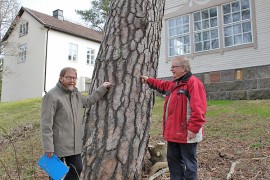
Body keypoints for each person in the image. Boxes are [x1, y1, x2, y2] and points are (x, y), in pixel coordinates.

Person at [141, 56, 207, 180]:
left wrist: (193, 129)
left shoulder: (193, 83)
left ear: (183, 68)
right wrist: (148, 80)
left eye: (173, 67)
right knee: (173, 161)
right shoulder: (174, 84)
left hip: (188, 134)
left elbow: (199, 110)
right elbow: (162, 85)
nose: (171, 69)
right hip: (173, 133)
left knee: (189, 164)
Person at [41, 67, 111, 180]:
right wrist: (48, 147)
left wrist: (102, 88)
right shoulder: (51, 96)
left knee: (78, 168)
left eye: (74, 78)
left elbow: (88, 102)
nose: (72, 80)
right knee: (55, 175)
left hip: (73, 144)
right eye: (68, 77)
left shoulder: (76, 94)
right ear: (61, 78)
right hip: (55, 144)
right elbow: (46, 124)